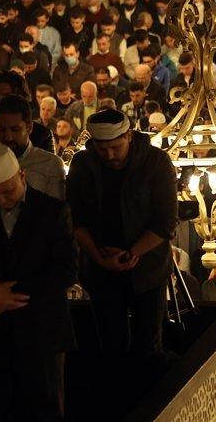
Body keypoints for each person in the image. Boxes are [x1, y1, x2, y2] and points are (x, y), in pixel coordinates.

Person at [0, 143, 76, 422]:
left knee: (45, 415)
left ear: (22, 176)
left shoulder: (52, 211)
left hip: (41, 329)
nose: (1, 200)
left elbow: (66, 270)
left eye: (7, 191)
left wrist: (10, 294)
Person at [67, 108, 177, 356]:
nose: (109, 155)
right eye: (102, 149)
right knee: (110, 345)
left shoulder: (156, 162)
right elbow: (75, 218)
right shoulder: (83, 164)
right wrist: (99, 257)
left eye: (115, 147)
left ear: (129, 136)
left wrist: (130, 254)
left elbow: (166, 222)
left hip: (148, 270)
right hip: (100, 269)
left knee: (148, 346)